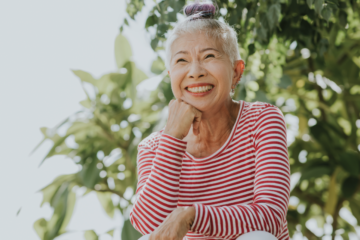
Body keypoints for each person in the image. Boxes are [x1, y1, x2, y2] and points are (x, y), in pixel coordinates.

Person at [129, 1, 291, 239]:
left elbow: (270, 217)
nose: (195, 71)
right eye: (182, 61)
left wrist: (191, 215)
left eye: (209, 56)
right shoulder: (153, 147)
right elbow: (147, 224)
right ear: (170, 75)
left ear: (236, 72)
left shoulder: (262, 120)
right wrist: (172, 138)